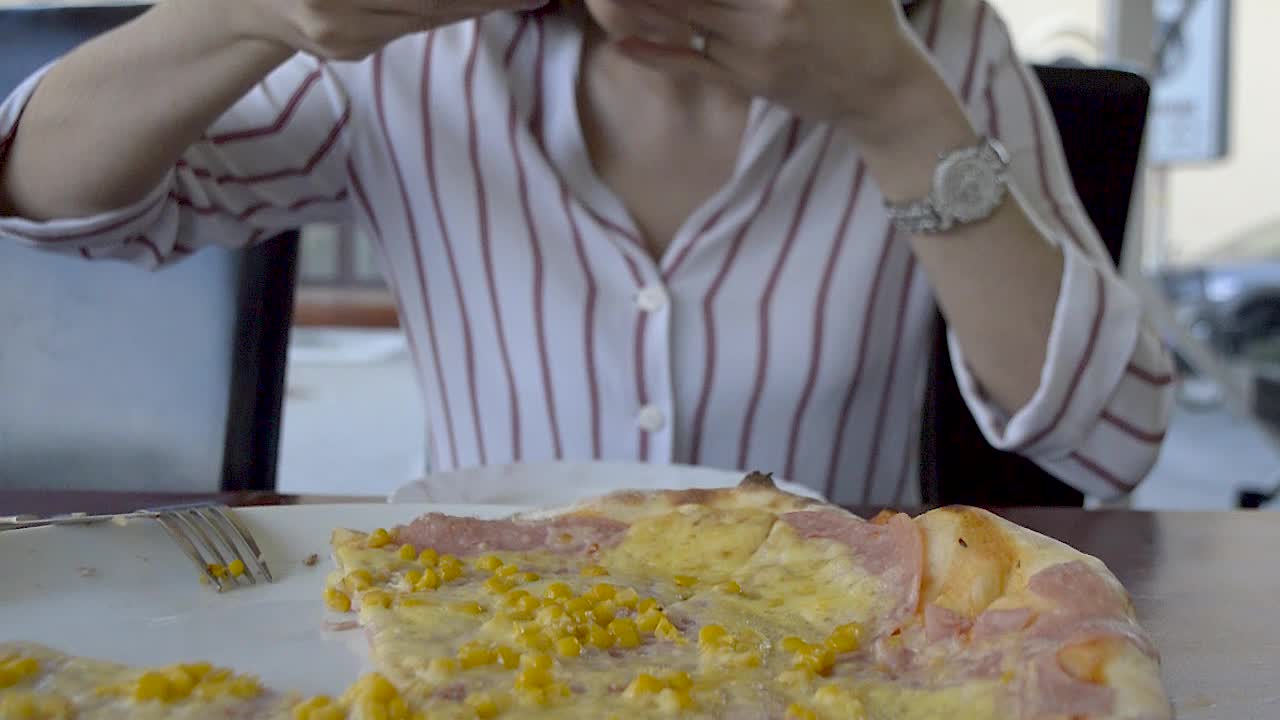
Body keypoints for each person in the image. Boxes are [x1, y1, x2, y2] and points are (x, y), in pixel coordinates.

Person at [0, 0, 1173, 504]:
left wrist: (893, 109)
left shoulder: (931, 40)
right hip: (470, 624)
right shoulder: (416, 52)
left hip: (835, 646)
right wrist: (235, 13)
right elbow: (56, 202)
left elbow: (1110, 435)